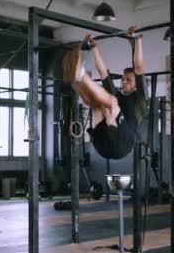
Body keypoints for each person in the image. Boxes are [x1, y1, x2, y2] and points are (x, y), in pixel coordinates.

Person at [62, 26, 146, 159]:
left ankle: (81, 75)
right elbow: (103, 72)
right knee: (98, 103)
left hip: (122, 144)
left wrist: (138, 40)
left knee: (110, 102)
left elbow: (139, 67)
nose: (123, 82)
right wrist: (93, 46)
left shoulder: (140, 98)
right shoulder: (117, 95)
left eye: (128, 80)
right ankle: (77, 79)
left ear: (136, 85)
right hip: (102, 145)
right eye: (123, 79)